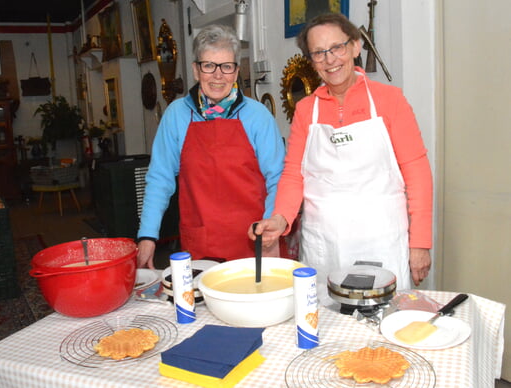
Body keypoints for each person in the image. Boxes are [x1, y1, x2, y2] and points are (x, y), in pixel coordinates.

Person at [249, 13, 433, 303]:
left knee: (381, 334)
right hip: (324, 246)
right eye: (319, 53)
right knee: (326, 331)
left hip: (382, 242)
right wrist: (280, 218)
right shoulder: (305, 110)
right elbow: (294, 174)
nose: (330, 59)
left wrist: (420, 242)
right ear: (311, 61)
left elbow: (417, 171)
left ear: (355, 47)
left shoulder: (390, 100)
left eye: (337, 47)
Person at [137, 24, 285, 268]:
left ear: (236, 72)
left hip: (255, 240)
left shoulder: (258, 116)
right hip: (201, 245)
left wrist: (270, 226)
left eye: (226, 66)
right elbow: (159, 179)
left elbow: (277, 178)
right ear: (196, 70)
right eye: (209, 66)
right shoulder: (177, 115)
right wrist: (147, 235)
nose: (218, 75)